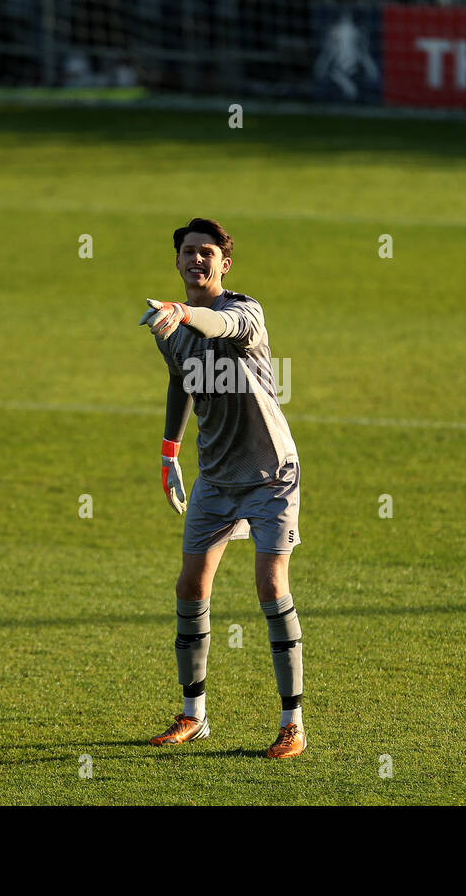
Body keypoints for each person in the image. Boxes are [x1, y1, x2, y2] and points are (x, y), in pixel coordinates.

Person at [139, 218, 306, 759]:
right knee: (190, 585)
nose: (197, 259)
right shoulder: (172, 325)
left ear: (223, 264)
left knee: (269, 582)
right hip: (215, 475)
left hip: (270, 473)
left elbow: (217, 327)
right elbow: (181, 379)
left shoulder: (244, 312)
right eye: (188, 252)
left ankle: (292, 723)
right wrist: (169, 451)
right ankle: (193, 715)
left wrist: (185, 314)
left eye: (207, 252)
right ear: (179, 260)